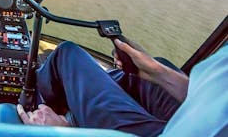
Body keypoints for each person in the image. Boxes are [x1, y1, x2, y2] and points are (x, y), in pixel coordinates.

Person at [17, 39, 228, 136]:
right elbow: (216, 98)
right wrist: (156, 71)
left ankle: (41, 110)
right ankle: (81, 109)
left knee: (67, 54)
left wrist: (65, 134)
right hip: (205, 116)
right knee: (149, 71)